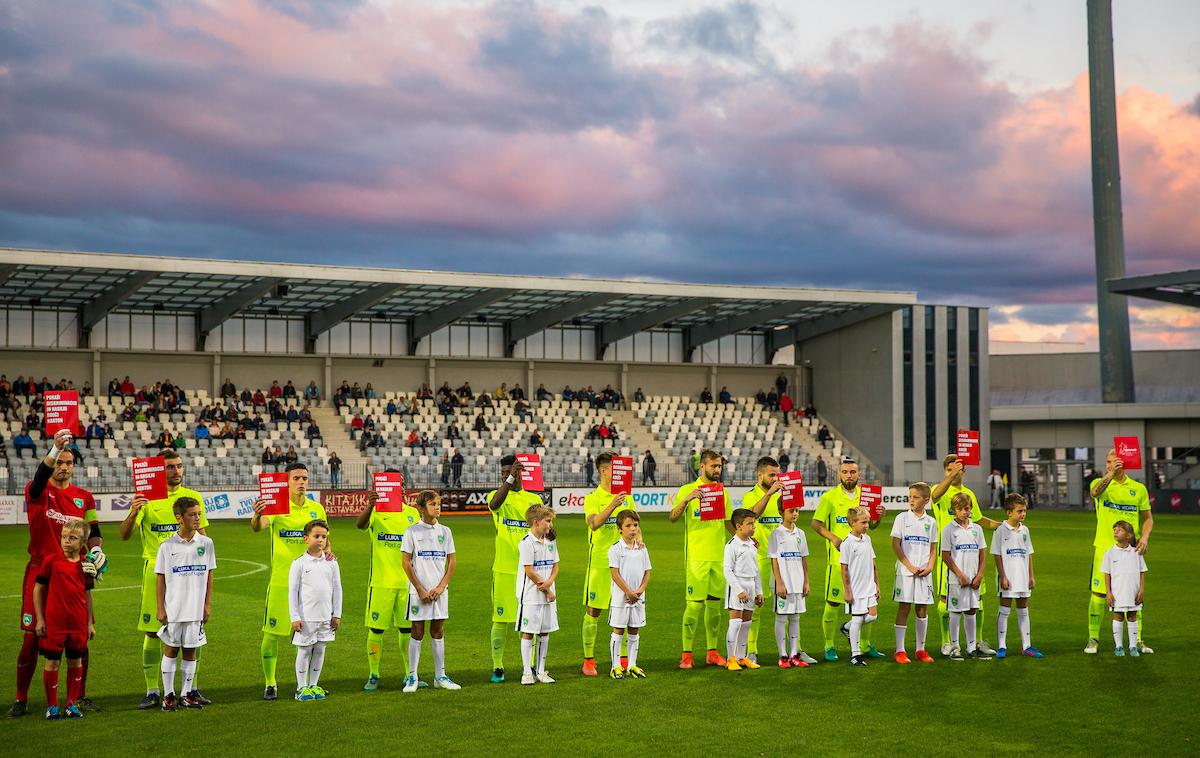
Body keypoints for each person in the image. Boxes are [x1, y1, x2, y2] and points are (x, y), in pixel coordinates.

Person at [9, 431, 104, 719]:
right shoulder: (37, 492)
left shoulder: (84, 498)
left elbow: (94, 533)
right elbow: (40, 478)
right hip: (41, 568)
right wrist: (55, 447)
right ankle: (21, 698)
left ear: (74, 466)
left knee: (79, 638)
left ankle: (79, 697)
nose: (64, 466)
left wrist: (97, 553)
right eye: (59, 461)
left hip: (74, 572)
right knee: (32, 638)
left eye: (68, 462)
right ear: (52, 463)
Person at [119, 449, 211, 709]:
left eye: (180, 466)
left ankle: (190, 689)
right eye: (170, 467)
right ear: (159, 471)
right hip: (156, 572)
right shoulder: (146, 499)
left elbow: (202, 536)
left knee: (194, 630)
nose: (177, 471)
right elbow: (124, 535)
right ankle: (152, 690)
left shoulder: (192, 497)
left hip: (190, 573)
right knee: (152, 631)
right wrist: (133, 511)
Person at [250, 463, 331, 700]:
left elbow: (326, 541)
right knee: (272, 633)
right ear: (287, 481)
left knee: (314, 636)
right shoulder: (276, 506)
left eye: (305, 478)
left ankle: (309, 684)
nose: (302, 482)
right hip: (282, 582)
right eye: (296, 478)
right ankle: (270, 683)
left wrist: (328, 561)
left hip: (312, 585)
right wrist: (257, 514)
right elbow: (258, 527)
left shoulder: (316, 509)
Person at [810, 456, 881, 662]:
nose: (849, 476)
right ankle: (829, 645)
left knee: (868, 605)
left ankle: (865, 645)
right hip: (837, 561)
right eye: (845, 472)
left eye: (852, 472)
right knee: (833, 603)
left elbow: (872, 526)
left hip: (864, 563)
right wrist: (832, 536)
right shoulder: (830, 497)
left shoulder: (866, 496)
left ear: (859, 474)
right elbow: (816, 523)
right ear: (839, 474)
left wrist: (879, 517)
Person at [931, 454, 1001, 657]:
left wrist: (1003, 526)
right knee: (946, 599)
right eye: (948, 470)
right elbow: (934, 495)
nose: (952, 473)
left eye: (956, 469)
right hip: (949, 555)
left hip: (971, 553)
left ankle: (977, 641)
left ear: (964, 470)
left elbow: (978, 520)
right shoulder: (942, 491)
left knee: (977, 598)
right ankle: (947, 643)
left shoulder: (968, 493)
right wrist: (950, 477)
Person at [356, 476, 421, 691]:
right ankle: (374, 674)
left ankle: (409, 675)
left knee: (407, 631)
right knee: (376, 630)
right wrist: (370, 505)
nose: (397, 490)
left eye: (400, 486)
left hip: (407, 583)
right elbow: (360, 525)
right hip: (381, 583)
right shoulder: (376, 511)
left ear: (403, 489)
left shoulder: (412, 514)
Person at [1085, 450, 1153, 655]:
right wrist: (1110, 474)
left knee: (1134, 595)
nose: (1110, 464)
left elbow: (1148, 518)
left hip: (1132, 552)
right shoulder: (1100, 483)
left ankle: (1138, 640)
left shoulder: (1138, 489)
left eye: (1114, 462)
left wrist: (1144, 538)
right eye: (1107, 462)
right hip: (1104, 549)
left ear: (1124, 463)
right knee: (1098, 593)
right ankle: (1093, 638)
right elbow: (1095, 492)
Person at [669, 449, 730, 670]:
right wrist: (687, 499)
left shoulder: (722, 492)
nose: (718, 470)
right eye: (714, 466)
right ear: (702, 466)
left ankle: (712, 653)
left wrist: (744, 539)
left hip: (718, 558)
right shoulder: (687, 490)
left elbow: (729, 521)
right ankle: (686, 654)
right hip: (697, 559)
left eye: (720, 466)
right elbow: (673, 517)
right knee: (694, 607)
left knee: (714, 608)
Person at [485, 456, 544, 682]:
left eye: (510, 471)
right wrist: (510, 479)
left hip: (531, 570)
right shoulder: (497, 496)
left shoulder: (533, 499)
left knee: (531, 618)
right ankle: (498, 666)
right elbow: (494, 505)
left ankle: (528, 665)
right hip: (504, 569)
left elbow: (544, 529)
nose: (504, 474)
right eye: (503, 472)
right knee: (500, 619)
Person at [154, 497, 215, 711]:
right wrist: (161, 607)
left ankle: (186, 694)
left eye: (199, 514)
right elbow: (160, 578)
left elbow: (209, 575)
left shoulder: (206, 543)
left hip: (196, 608)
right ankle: (168, 695)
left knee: (191, 651)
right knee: (171, 649)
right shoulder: (167, 546)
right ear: (179, 518)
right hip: (174, 608)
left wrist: (207, 604)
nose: (197, 518)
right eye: (192, 514)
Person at [32, 518, 96, 720]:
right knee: (52, 663)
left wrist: (89, 623)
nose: (67, 541)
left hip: (77, 624)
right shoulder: (51, 561)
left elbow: (87, 595)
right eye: (64, 537)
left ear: (83, 542)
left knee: (75, 662)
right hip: (55, 624)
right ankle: (52, 705)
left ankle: (71, 703)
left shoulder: (86, 565)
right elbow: (38, 588)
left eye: (73, 538)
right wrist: (40, 619)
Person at [400, 491, 460, 692]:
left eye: (439, 504)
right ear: (421, 508)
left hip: (439, 591)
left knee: (438, 630)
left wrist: (441, 586)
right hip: (419, 592)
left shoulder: (446, 531)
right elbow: (406, 563)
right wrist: (420, 589)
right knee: (417, 631)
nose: (437, 507)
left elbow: (452, 561)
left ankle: (440, 676)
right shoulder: (412, 532)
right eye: (433, 504)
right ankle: (412, 677)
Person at [580, 453, 632, 676]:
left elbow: (635, 527)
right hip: (601, 562)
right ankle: (589, 660)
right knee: (594, 610)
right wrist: (613, 503)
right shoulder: (592, 498)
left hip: (626, 562)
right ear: (604, 471)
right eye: (615, 469)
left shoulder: (627, 497)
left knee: (625, 611)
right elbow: (594, 524)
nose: (619, 473)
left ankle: (622, 659)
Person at [288, 520, 341, 701]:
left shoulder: (332, 563)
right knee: (304, 650)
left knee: (320, 649)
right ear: (306, 538)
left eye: (324, 537)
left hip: (326, 617)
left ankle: (314, 685)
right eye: (316, 536)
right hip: (306, 617)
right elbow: (292, 592)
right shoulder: (299, 564)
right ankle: (301, 687)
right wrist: (295, 616)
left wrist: (337, 614)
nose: (320, 540)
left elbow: (337, 589)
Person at [740, 456, 783, 662]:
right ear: (760, 475)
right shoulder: (750, 496)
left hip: (784, 558)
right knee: (757, 605)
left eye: (777, 474)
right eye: (771, 475)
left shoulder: (783, 495)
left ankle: (794, 649)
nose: (776, 478)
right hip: (760, 559)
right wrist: (770, 494)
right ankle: (752, 650)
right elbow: (752, 515)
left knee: (789, 605)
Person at [890, 482, 937, 664]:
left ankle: (920, 649)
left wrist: (930, 566)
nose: (911, 500)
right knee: (904, 607)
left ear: (926, 500)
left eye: (915, 497)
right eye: (909, 497)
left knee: (922, 609)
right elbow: (895, 544)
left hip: (925, 572)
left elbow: (933, 548)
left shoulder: (931, 522)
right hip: (905, 572)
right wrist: (909, 566)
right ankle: (900, 650)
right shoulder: (902, 518)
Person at [940, 493, 991, 660]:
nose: (964, 512)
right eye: (960, 509)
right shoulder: (949, 529)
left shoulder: (977, 529)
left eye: (967, 508)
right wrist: (960, 574)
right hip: (957, 580)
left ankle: (971, 648)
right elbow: (946, 555)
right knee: (955, 611)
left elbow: (982, 554)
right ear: (954, 510)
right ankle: (955, 647)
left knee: (971, 611)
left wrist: (980, 575)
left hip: (974, 578)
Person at [991, 493, 1042, 659]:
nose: (1023, 514)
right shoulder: (1000, 530)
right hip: (1008, 577)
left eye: (1024, 511)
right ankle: (1001, 646)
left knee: (1023, 609)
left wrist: (1031, 576)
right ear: (1009, 512)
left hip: (1022, 576)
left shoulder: (1025, 530)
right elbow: (997, 555)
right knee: (1004, 609)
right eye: (1020, 511)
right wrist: (1003, 576)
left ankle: (1026, 645)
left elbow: (1028, 554)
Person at [768, 499, 813, 668]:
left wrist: (806, 581)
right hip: (784, 584)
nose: (795, 514)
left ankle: (794, 654)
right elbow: (774, 560)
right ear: (781, 512)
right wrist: (779, 583)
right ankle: (783, 655)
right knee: (781, 618)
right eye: (791, 511)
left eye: (797, 511)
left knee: (795, 618)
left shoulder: (801, 534)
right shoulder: (776, 534)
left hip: (798, 583)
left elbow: (803, 559)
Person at [517, 503, 559, 685]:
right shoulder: (526, 543)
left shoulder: (550, 541)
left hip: (548, 594)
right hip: (531, 596)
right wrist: (548, 588)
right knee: (528, 632)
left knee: (544, 632)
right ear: (536, 522)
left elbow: (556, 565)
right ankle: (527, 671)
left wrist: (550, 584)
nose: (550, 525)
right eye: (548, 521)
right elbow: (530, 571)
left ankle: (541, 670)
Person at [606, 510, 650, 679]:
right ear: (619, 529)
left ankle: (632, 665)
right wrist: (628, 592)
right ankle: (615, 666)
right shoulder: (615, 549)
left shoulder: (642, 548)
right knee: (618, 630)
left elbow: (647, 572)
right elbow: (615, 574)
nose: (633, 529)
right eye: (628, 526)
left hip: (638, 597)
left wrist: (640, 590)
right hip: (621, 599)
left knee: (634, 630)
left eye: (636, 525)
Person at [838, 507, 880, 667]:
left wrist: (877, 584)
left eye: (868, 522)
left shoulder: (867, 539)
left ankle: (847, 628)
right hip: (855, 588)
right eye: (863, 522)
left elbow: (873, 563)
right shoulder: (847, 543)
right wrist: (847, 590)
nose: (867, 525)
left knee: (873, 616)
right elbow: (844, 569)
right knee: (858, 619)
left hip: (869, 586)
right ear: (852, 523)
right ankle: (855, 655)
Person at [724, 508, 764, 671]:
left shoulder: (752, 544)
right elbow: (727, 570)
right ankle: (730, 658)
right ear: (739, 526)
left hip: (750, 586)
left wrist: (759, 591)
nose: (753, 527)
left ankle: (741, 657)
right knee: (735, 623)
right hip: (737, 586)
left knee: (746, 623)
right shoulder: (732, 545)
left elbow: (756, 570)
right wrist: (739, 590)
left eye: (753, 523)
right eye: (749, 524)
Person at [1102, 520, 1148, 657]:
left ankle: (1133, 647)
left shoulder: (1136, 553)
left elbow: (1142, 572)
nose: (1115, 532)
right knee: (1118, 616)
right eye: (1114, 529)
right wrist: (1108, 592)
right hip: (1117, 592)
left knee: (1133, 616)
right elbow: (1107, 574)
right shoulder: (1110, 553)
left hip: (1133, 592)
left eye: (1120, 530)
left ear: (1129, 536)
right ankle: (1119, 646)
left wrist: (1141, 590)